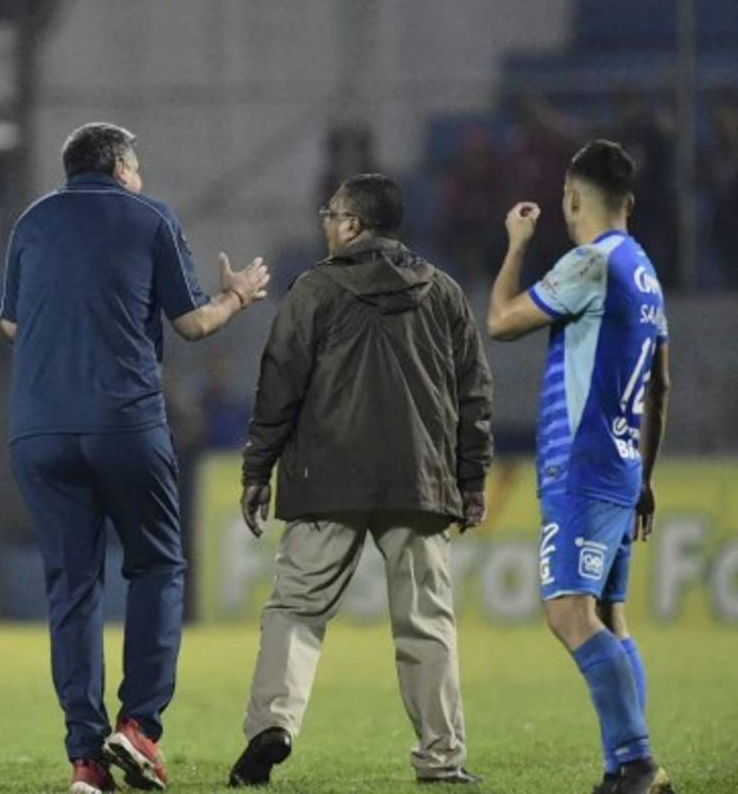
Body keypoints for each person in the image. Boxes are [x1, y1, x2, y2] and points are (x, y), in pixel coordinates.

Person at [0, 122, 270, 794]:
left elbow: (10, 323)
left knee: (72, 587)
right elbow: (193, 324)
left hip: (38, 430)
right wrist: (236, 295)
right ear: (121, 167)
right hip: (122, 421)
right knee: (155, 564)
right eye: (138, 165)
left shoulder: (30, 223)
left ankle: (86, 760)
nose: (141, 176)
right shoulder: (148, 217)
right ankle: (140, 727)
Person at [230, 173, 492, 787]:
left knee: (296, 608)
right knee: (427, 622)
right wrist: (471, 477)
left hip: (328, 477)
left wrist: (257, 470)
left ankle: (274, 723)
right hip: (420, 478)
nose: (326, 222)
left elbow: (279, 385)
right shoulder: (444, 293)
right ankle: (442, 758)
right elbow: (473, 392)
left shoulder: (314, 291)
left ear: (351, 224)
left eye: (331, 214)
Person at [486, 140, 673, 794]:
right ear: (629, 201)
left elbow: (502, 321)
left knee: (568, 614)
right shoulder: (645, 272)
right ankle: (624, 766)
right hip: (623, 466)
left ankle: (640, 760)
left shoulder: (588, 263)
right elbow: (662, 385)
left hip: (581, 466)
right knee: (612, 619)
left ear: (571, 201)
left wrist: (515, 243)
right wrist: (645, 477)